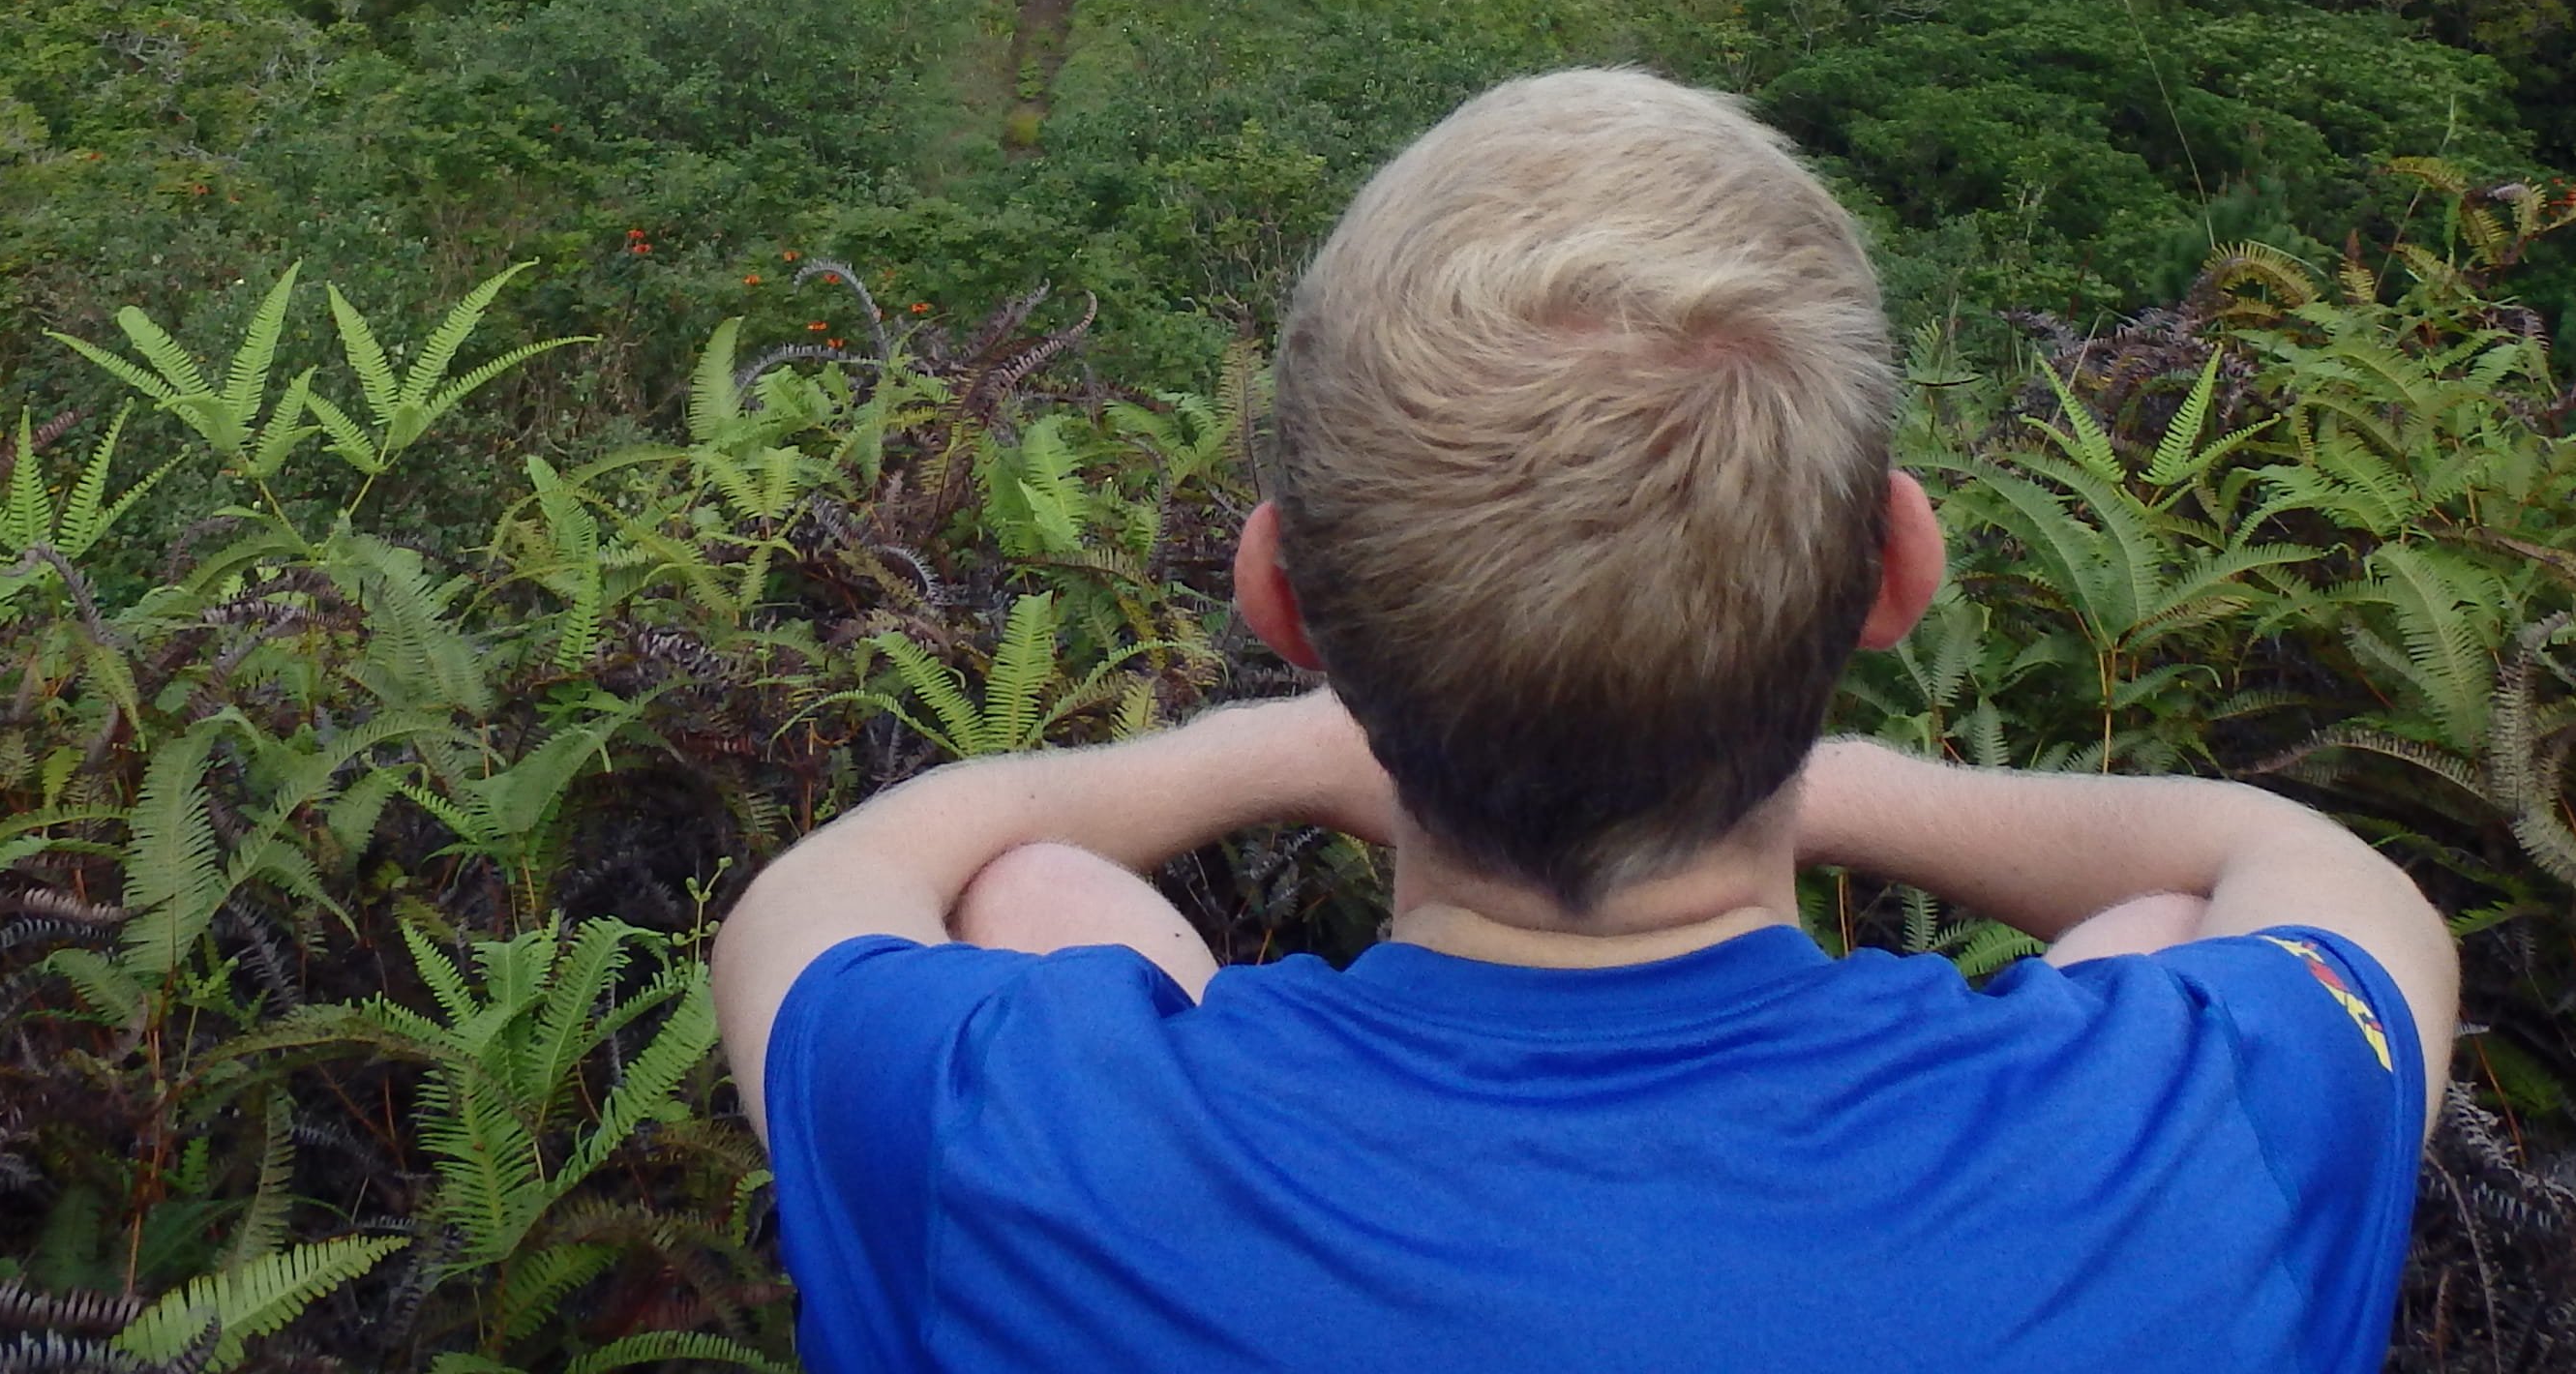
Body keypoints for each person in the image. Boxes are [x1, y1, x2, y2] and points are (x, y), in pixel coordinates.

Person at [711, 68, 2453, 1374]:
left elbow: (824, 895)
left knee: (1023, 900)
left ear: (1281, 603)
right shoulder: (2215, 1126)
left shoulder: (1003, 1144)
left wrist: (1288, 752)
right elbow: (2289, 862)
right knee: (2167, 934)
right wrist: (1811, 778)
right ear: (1895, 577)